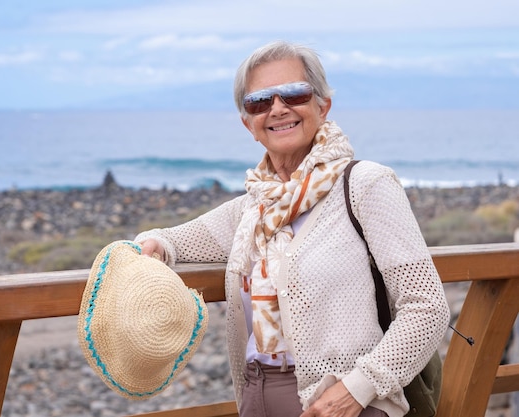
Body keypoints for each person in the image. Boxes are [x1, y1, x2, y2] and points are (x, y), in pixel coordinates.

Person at [135, 40, 450, 417]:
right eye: (260, 101)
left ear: (323, 105)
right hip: (256, 393)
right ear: (248, 124)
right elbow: (179, 240)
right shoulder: (255, 206)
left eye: (294, 94)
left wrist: (358, 389)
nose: (278, 108)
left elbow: (427, 307)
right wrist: (150, 245)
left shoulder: (366, 185)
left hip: (346, 402)